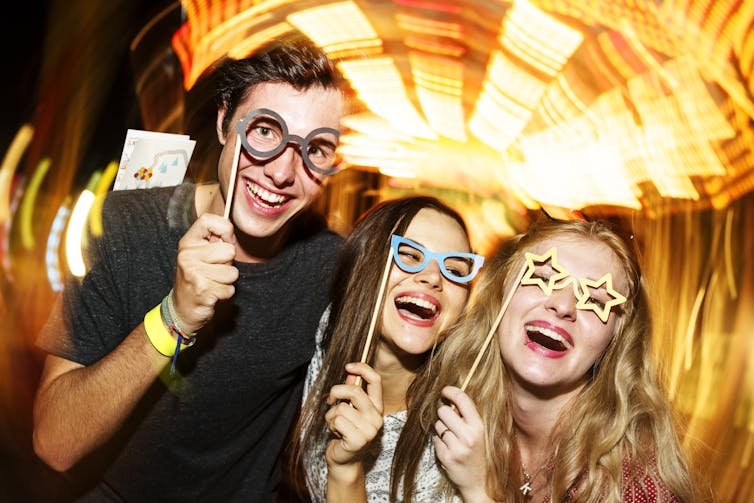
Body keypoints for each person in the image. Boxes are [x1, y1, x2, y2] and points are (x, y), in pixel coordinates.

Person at [32, 35, 346, 501]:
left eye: (315, 149)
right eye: (265, 131)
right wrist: (172, 319)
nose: (283, 172)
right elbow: (54, 442)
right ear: (224, 123)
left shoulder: (331, 265)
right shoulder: (121, 226)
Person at [401, 219, 696, 502]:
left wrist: (479, 493)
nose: (563, 305)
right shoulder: (444, 411)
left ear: (615, 340)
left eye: (594, 301)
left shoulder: (635, 483)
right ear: (499, 295)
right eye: (542, 279)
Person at [288, 196, 484, 502]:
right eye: (408, 255)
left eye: (455, 269)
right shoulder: (324, 331)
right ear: (363, 264)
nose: (433, 278)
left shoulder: (458, 432)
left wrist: (347, 468)